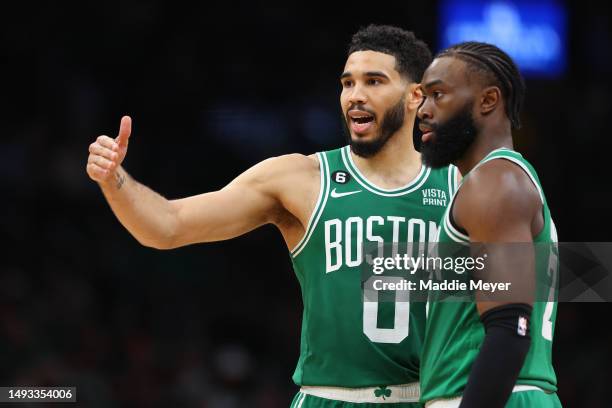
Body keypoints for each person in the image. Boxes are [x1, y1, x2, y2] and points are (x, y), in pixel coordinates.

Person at [86, 25, 457, 407]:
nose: (355, 96)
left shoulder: (462, 187)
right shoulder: (300, 179)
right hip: (327, 397)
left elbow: (505, 312)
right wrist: (115, 179)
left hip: (428, 398)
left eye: (374, 82)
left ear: (416, 96)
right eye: (347, 84)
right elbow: (167, 226)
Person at [416, 42, 561, 407]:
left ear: (488, 101)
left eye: (438, 95)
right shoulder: (497, 180)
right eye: (422, 98)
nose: (423, 110)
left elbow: (510, 329)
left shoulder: (494, 183)